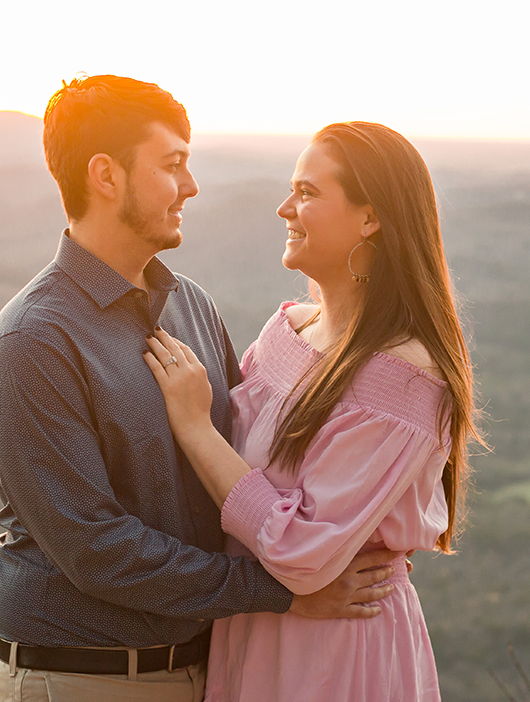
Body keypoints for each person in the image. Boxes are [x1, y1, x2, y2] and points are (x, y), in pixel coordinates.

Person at [0, 77, 402, 702]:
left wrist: (348, 534)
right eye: (173, 165)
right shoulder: (34, 342)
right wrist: (287, 591)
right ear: (106, 176)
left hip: (204, 674)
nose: (192, 187)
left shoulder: (189, 306)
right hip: (80, 682)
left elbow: (253, 459)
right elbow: (98, 549)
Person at [144, 121, 481, 701]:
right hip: (254, 631)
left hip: (336, 651)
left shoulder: (405, 380)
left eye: (307, 193)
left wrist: (195, 428)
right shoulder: (286, 333)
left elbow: (304, 554)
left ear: (370, 218)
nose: (284, 208)